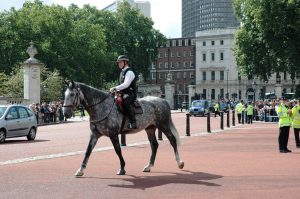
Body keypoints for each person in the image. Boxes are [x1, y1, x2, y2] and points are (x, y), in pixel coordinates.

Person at [110, 55, 137, 129]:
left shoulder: (129, 72)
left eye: (120, 62)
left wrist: (115, 88)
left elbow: (126, 84)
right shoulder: (122, 72)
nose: (118, 64)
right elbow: (121, 86)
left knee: (125, 102)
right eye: (118, 62)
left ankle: (133, 122)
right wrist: (116, 91)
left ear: (125, 62)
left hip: (130, 94)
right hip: (122, 93)